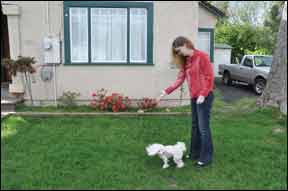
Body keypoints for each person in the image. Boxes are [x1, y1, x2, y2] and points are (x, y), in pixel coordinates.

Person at [156, 36, 215, 167]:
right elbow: (180, 79)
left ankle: (206, 157)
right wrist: (166, 91)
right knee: (195, 126)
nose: (179, 54)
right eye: (176, 52)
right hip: (194, 97)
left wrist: (203, 94)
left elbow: (209, 77)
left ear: (185, 44)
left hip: (204, 97)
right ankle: (195, 153)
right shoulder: (187, 61)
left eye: (179, 50)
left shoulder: (202, 57)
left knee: (203, 128)